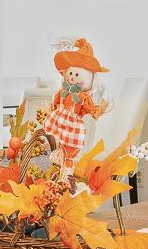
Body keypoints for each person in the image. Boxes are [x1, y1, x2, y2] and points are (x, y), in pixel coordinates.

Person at [40, 37, 109, 165]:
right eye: (71, 73)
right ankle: (60, 159)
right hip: (59, 119)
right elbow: (56, 101)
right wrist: (51, 108)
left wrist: (95, 111)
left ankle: (67, 165)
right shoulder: (63, 92)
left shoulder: (83, 97)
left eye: (77, 75)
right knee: (56, 140)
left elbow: (89, 108)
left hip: (72, 125)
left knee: (70, 148)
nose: (72, 77)